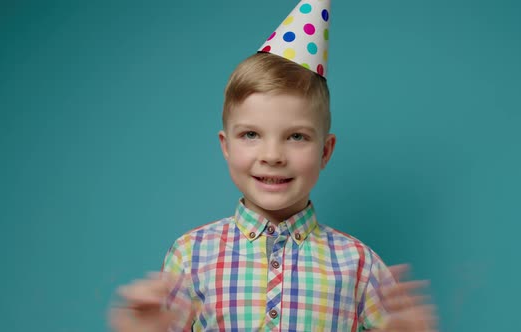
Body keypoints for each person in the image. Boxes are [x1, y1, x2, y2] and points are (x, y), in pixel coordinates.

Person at [109, 1, 437, 331]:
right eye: (251, 134)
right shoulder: (191, 255)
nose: (273, 155)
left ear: (325, 151)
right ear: (226, 145)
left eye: (296, 136)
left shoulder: (360, 265)